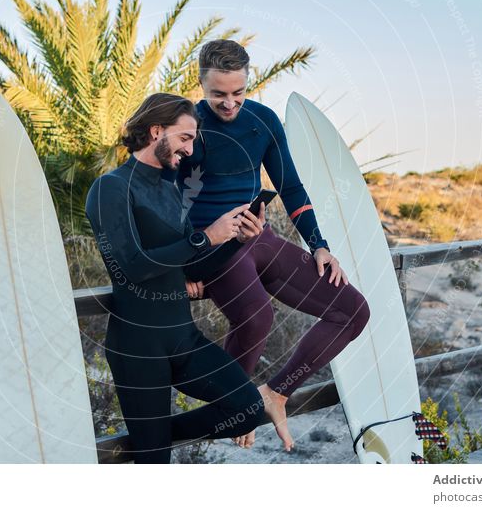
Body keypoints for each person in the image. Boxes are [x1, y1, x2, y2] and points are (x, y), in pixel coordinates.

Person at [171, 40, 371, 452]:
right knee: (258, 319)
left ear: (249, 82)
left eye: (238, 93)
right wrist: (179, 266)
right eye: (218, 95)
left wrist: (319, 244)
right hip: (210, 249)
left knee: (353, 310)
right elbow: (164, 203)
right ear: (201, 84)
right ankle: (238, 404)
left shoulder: (262, 121)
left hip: (258, 239)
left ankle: (272, 395)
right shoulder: (186, 126)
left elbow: (291, 187)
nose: (229, 104)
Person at [85, 92, 265, 464]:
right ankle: (153, 444)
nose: (189, 148)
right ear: (155, 131)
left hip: (182, 337)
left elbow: (192, 267)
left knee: (247, 407)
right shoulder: (109, 188)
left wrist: (236, 239)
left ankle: (155, 438)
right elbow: (131, 266)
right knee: (156, 466)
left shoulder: (170, 189)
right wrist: (205, 236)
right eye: (185, 138)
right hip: (138, 346)